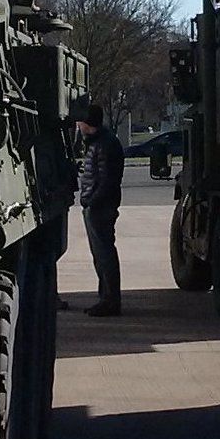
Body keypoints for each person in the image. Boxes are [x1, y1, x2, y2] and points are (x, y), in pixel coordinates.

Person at [76, 103, 125, 316]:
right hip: (96, 205)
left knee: (104, 253)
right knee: (100, 254)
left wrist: (92, 201)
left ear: (87, 122)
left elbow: (106, 180)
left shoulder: (104, 145)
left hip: (99, 207)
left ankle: (110, 299)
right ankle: (105, 297)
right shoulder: (99, 143)